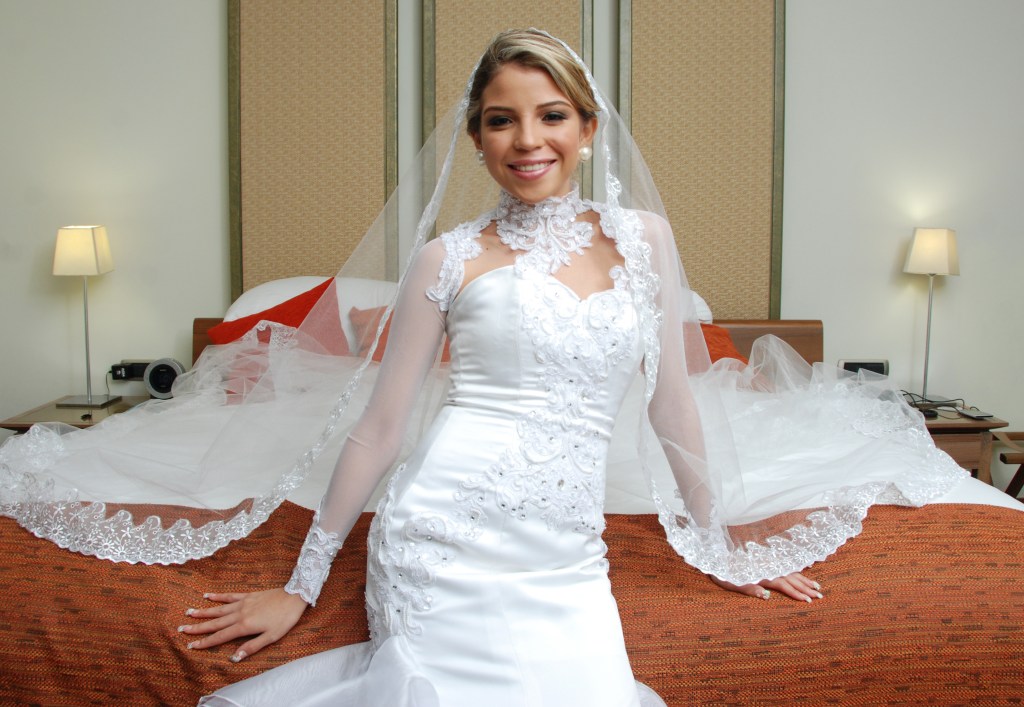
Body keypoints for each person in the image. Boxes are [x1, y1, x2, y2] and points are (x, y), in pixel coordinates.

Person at [0, 28, 966, 707]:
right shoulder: (446, 258)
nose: (527, 140)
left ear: (588, 128)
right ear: (475, 138)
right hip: (442, 526)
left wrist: (721, 544)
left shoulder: (646, 240)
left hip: (566, 548)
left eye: (552, 115)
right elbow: (380, 427)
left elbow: (673, 403)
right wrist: (304, 579)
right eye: (501, 120)